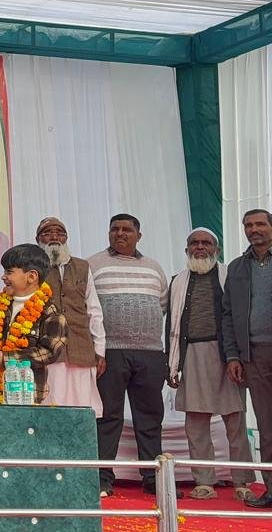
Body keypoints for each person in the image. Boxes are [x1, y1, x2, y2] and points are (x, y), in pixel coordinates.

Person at [167, 227, 255, 501]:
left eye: (206, 243)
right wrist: (172, 364)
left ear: (217, 250)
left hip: (228, 356)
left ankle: (242, 482)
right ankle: (204, 482)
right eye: (195, 243)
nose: (200, 247)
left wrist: (237, 356)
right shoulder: (177, 282)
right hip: (192, 354)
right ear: (187, 249)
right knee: (196, 424)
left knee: (235, 422)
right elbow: (171, 326)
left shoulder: (232, 276)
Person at [88, 213, 168, 497]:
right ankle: (102, 479)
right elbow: (88, 308)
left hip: (150, 353)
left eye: (126, 229)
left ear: (138, 235)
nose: (120, 233)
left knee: (150, 417)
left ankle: (152, 479)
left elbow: (161, 305)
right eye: (115, 229)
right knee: (108, 417)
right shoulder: (93, 264)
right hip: (110, 353)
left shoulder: (154, 267)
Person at [220, 209, 272, 508]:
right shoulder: (238, 267)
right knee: (267, 427)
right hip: (253, 356)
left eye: (260, 224)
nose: (254, 229)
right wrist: (233, 356)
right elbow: (228, 315)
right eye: (248, 225)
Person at [35, 217, 106, 414]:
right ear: (38, 239)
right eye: (47, 233)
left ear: (66, 238)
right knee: (51, 408)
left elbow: (94, 310)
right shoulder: (31, 269)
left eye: (60, 233)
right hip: (48, 349)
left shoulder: (82, 267)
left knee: (82, 409)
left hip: (81, 348)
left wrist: (100, 349)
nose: (54, 237)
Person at [0, 244, 64, 401]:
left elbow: (50, 351)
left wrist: (6, 358)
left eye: (9, 272)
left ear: (31, 276)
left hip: (27, 395)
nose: (3, 277)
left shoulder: (49, 311)